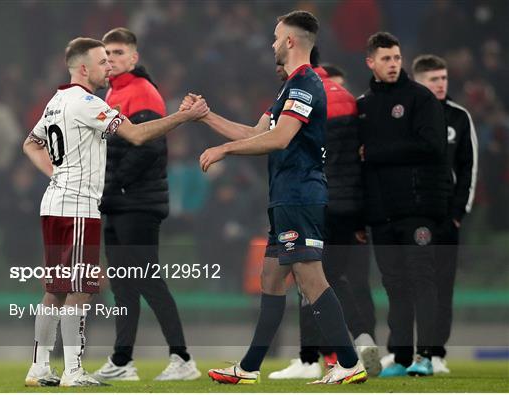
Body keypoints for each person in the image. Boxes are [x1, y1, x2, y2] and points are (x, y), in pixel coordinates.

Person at [183, 11, 367, 385]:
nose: (270, 43)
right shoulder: (288, 88)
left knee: (311, 279)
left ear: (289, 41)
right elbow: (255, 132)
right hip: (285, 197)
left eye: (275, 36)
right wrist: (205, 117)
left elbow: (279, 139)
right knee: (269, 277)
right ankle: (249, 368)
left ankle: (348, 361)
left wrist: (224, 150)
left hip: (300, 195)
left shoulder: (304, 85)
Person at [22, 37, 207, 387]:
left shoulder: (56, 101)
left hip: (55, 204)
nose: (108, 67)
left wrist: (56, 175)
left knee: (55, 290)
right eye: (101, 61)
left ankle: (39, 367)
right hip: (78, 208)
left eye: (111, 59)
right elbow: (137, 135)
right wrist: (183, 116)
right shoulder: (88, 102)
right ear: (83, 69)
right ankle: (73, 371)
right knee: (80, 290)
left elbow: (30, 143)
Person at [92, 27, 200, 382]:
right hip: (118, 202)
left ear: (134, 58)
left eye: (119, 53)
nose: (111, 60)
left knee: (147, 279)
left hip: (136, 201)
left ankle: (182, 358)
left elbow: (149, 147)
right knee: (123, 284)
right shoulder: (112, 92)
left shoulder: (142, 91)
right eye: (106, 55)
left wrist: (115, 184)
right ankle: (122, 362)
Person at [269, 50, 380, 380]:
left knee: (309, 278)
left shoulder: (303, 92)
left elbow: (282, 141)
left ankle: (311, 359)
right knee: (331, 277)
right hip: (350, 206)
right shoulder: (347, 98)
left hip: (314, 200)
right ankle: (361, 338)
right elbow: (360, 162)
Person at [356, 32, 450, 378]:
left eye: (396, 58)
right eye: (385, 59)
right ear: (371, 63)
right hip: (382, 214)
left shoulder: (420, 99)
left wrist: (377, 154)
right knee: (393, 283)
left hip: (417, 209)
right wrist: (362, 217)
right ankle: (400, 355)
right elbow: (359, 164)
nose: (393, 64)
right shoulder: (363, 106)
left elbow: (433, 147)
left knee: (421, 278)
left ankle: (426, 356)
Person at [412, 54, 478, 374]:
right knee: (412, 284)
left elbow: (469, 167)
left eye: (443, 78)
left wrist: (458, 214)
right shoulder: (407, 116)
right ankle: (412, 352)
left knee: (442, 284)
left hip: (445, 218)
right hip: (412, 216)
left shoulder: (459, 117)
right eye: (433, 79)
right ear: (419, 82)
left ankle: (436, 353)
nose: (441, 84)